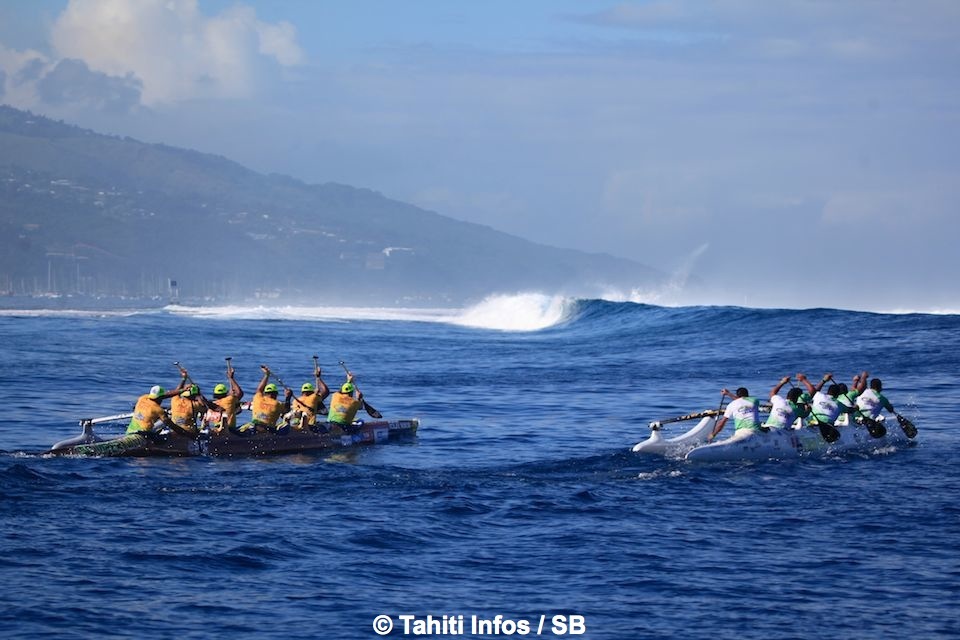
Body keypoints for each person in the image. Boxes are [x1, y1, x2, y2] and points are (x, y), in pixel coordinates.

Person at [237, 366, 292, 435]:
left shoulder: (258, 398)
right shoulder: (277, 404)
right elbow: (287, 410)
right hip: (268, 430)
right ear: (276, 394)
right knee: (286, 426)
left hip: (254, 427)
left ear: (265, 393)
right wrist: (288, 397)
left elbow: (259, 389)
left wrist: (266, 375)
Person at [289, 364, 330, 432]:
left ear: (302, 392)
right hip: (309, 427)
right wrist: (318, 378)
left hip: (294, 425)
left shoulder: (295, 400)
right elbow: (326, 391)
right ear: (312, 391)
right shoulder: (314, 397)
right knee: (327, 427)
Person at [206, 366, 244, 435]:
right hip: (230, 429)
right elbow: (239, 393)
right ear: (226, 393)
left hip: (216, 429)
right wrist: (231, 378)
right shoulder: (229, 400)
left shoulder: (213, 404)